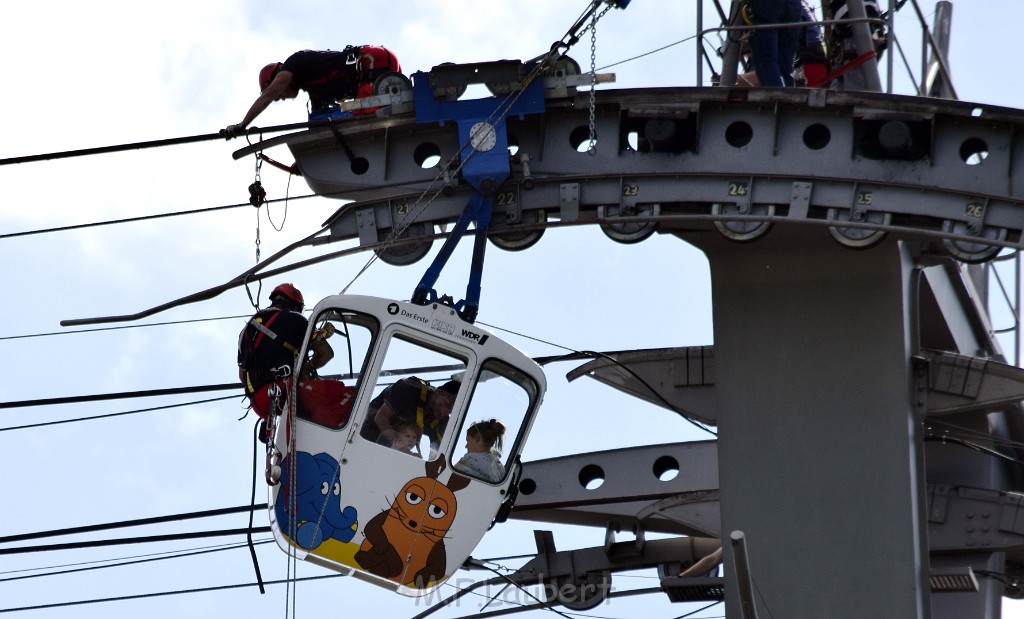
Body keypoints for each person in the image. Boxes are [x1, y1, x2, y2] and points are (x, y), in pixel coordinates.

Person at [222, 45, 401, 138]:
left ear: (276, 77)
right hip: (381, 73)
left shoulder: (294, 62)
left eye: (278, 94)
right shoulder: (316, 94)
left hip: (374, 61)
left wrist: (242, 125)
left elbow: (267, 95)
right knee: (332, 120)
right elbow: (317, 128)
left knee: (359, 116)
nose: (280, 98)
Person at [237, 283, 334, 421]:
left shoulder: (246, 331)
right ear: (295, 306)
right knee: (338, 397)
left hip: (259, 403)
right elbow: (325, 354)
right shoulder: (297, 320)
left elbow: (242, 376)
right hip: (284, 392)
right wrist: (306, 369)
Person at [361, 377, 460, 453]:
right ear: (438, 392)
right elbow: (381, 417)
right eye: (447, 404)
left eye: (451, 410)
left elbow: (438, 453)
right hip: (362, 438)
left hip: (390, 454)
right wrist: (404, 451)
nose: (446, 412)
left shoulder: (441, 419)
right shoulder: (410, 388)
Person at [744, 0, 803, 87]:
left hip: (767, 6)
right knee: (786, 64)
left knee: (766, 59)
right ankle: (788, 95)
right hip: (793, 7)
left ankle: (776, 96)